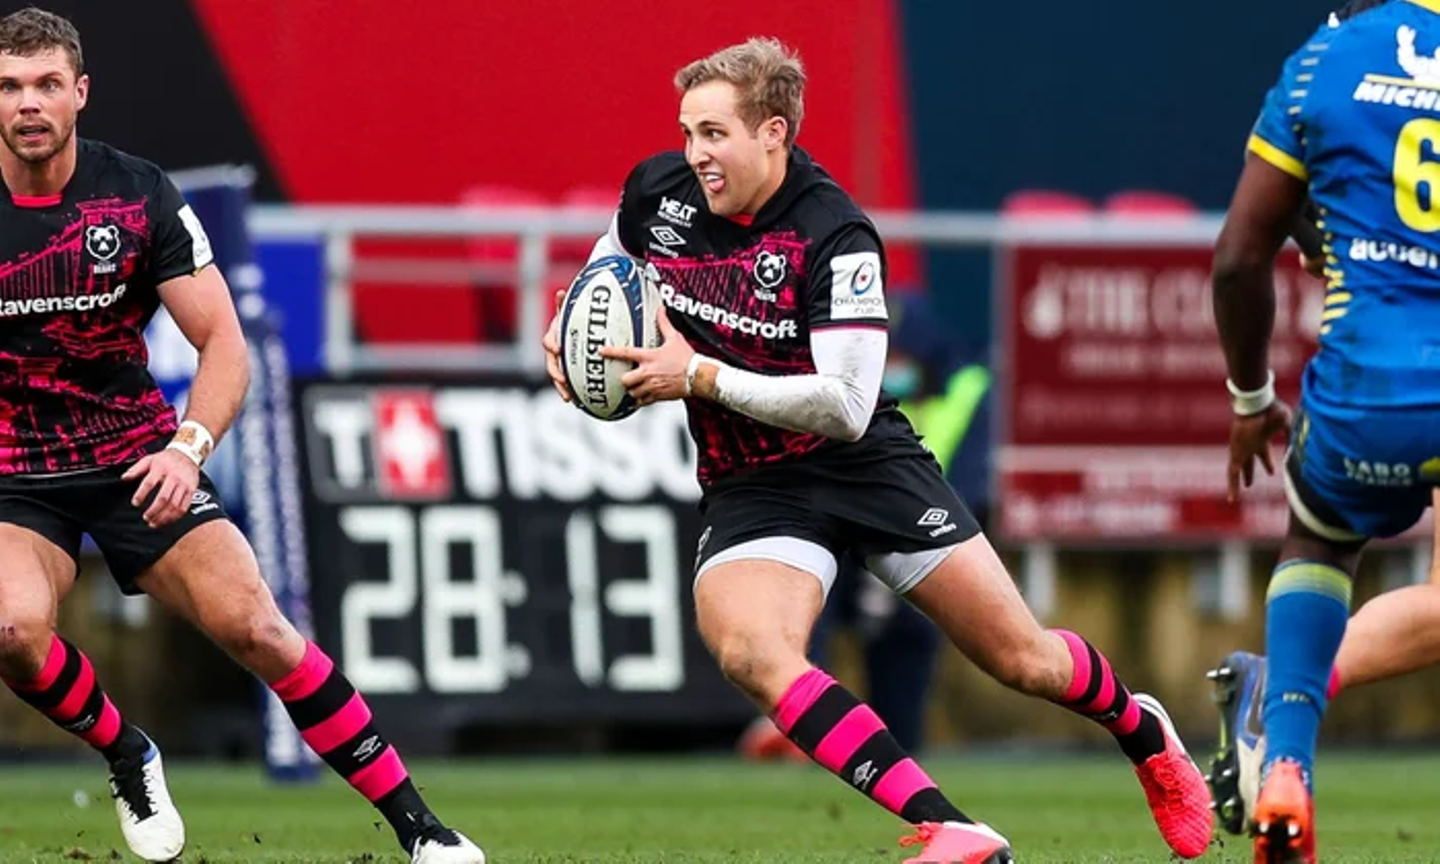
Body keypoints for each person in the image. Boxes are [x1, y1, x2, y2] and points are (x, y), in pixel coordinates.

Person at [543, 36, 1212, 863]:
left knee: (1023, 660)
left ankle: (1141, 729)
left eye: (714, 134)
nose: (694, 154)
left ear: (774, 133)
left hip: (864, 466)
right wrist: (569, 334)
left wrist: (700, 377)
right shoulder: (658, 194)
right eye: (687, 132)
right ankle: (952, 828)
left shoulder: (835, 233)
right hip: (752, 483)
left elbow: (847, 406)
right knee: (752, 652)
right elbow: (608, 271)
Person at [0, 9, 483, 863]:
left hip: (137, 460)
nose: (28, 103)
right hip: (15, 477)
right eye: (8, 87)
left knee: (258, 628)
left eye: (46, 84)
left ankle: (423, 830)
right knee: (11, 633)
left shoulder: (138, 194)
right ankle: (128, 752)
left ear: (80, 92)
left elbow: (223, 341)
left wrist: (188, 449)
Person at [1210, 0, 1440, 859]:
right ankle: (1283, 702)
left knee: (1322, 538)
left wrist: (1250, 399)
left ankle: (1285, 755)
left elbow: (1242, 256)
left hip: (1366, 390)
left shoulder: (1326, 58)